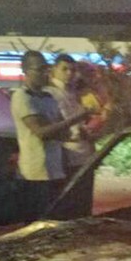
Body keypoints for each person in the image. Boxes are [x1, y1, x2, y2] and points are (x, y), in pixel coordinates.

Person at [11, 50, 92, 220]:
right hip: (35, 173)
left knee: (57, 221)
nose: (44, 73)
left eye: (45, 68)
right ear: (25, 71)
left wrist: (62, 128)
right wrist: (75, 119)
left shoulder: (48, 97)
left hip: (56, 170)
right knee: (36, 225)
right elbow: (42, 132)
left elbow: (62, 133)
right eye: (39, 69)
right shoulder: (22, 97)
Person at [45, 53, 97, 217]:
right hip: (68, 155)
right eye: (64, 69)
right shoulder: (50, 93)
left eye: (72, 70)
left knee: (83, 203)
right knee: (71, 203)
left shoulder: (73, 92)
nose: (69, 73)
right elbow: (56, 125)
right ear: (54, 69)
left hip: (84, 153)